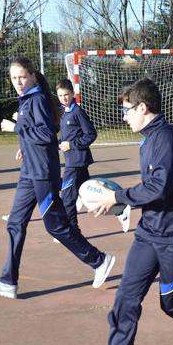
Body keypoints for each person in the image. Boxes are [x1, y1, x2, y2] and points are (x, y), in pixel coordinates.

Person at [91, 78, 173, 345]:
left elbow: (158, 188)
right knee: (125, 302)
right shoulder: (149, 139)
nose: (124, 116)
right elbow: (152, 189)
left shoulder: (165, 139)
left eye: (127, 110)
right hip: (150, 233)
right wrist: (121, 203)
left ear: (142, 107)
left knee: (171, 303)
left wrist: (117, 197)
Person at [0, 57, 115, 299]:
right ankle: (8, 282)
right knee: (14, 223)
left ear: (32, 75)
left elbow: (46, 133)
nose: (18, 82)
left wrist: (17, 128)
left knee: (56, 226)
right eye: (14, 78)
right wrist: (25, 145)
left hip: (42, 174)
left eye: (22, 76)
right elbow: (37, 134)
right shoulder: (27, 100)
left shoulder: (38, 99)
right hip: (28, 173)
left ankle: (99, 260)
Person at [56, 78, 97, 234]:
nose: (63, 98)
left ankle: (72, 231)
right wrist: (60, 143)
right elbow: (69, 135)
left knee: (67, 196)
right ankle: (120, 210)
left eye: (66, 95)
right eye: (60, 95)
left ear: (72, 94)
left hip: (77, 161)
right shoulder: (64, 112)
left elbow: (91, 134)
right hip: (74, 160)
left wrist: (71, 145)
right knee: (90, 192)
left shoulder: (77, 112)